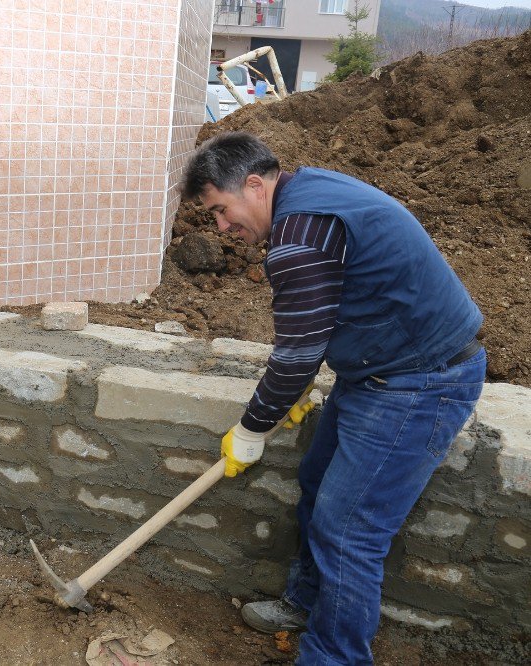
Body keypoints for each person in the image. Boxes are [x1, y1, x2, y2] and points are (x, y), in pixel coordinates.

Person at [180, 132, 485, 664]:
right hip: (378, 370)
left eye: (221, 210)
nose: (222, 228)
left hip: (419, 382)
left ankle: (334, 657)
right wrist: (296, 389)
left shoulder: (300, 234)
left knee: (348, 531)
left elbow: (298, 352)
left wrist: (252, 429)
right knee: (318, 486)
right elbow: (322, 324)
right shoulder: (309, 190)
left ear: (255, 185)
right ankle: (306, 605)